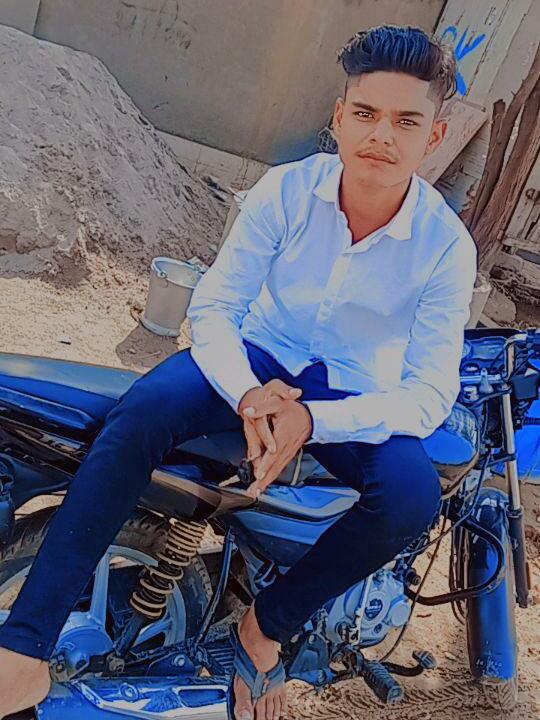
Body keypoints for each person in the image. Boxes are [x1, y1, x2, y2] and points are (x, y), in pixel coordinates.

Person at [0, 24, 476, 720]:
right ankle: (24, 648)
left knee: (411, 499)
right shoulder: (286, 191)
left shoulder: (445, 247)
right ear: (339, 116)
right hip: (256, 357)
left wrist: (313, 419)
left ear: (434, 136)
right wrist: (250, 394)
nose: (381, 135)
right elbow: (217, 307)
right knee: (141, 413)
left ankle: (265, 625)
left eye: (406, 121)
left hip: (350, 391)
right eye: (366, 112)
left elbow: (430, 393)